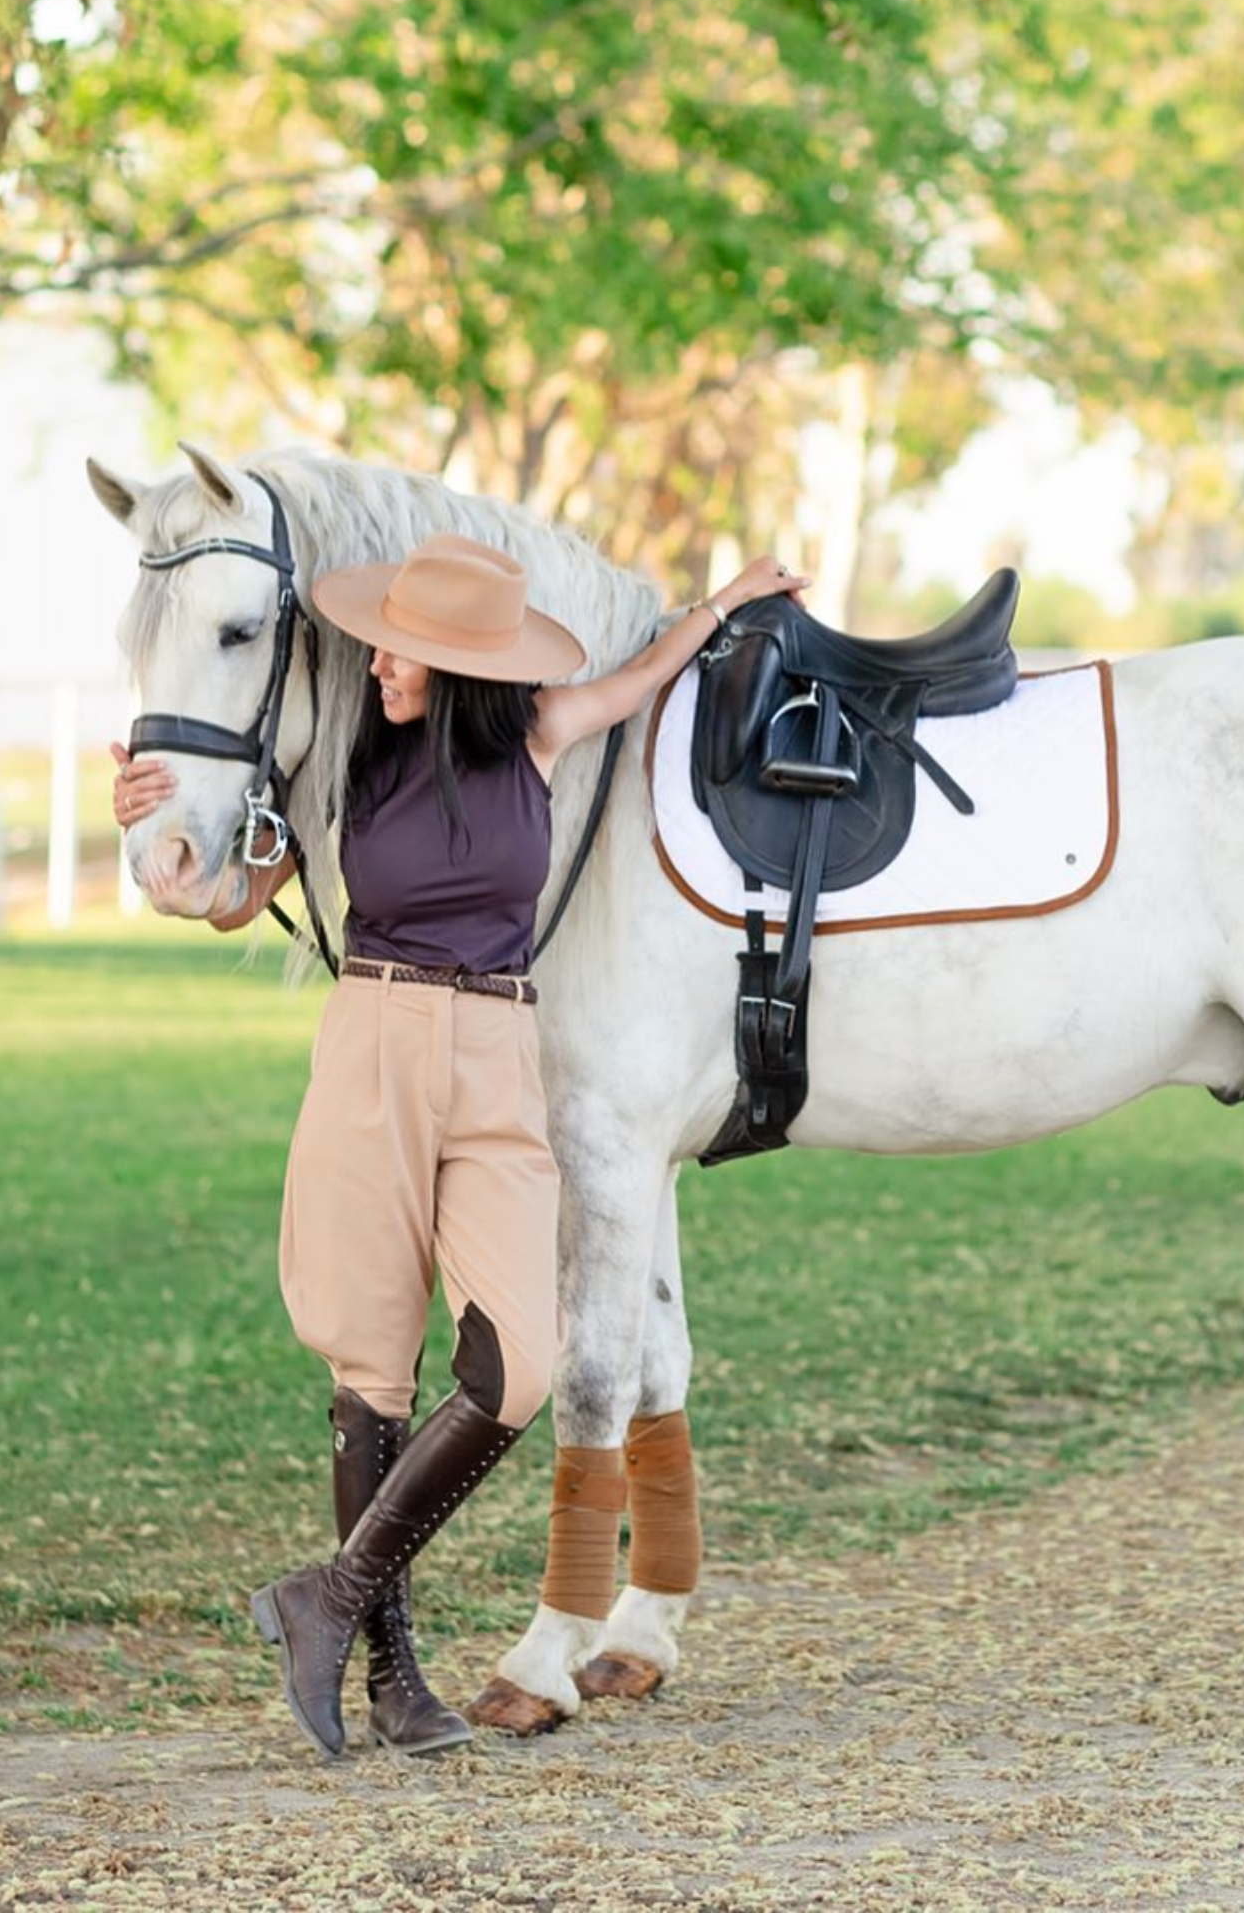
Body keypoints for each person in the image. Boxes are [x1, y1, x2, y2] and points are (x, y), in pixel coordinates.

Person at [111, 532, 806, 1760]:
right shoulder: (344, 766)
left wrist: (733, 599)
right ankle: (390, 1674)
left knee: (516, 1371)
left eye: (399, 649)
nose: (378, 661)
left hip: (497, 1056)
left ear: (456, 663)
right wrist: (161, 829)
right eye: (377, 641)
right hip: (374, 1043)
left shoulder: (538, 733)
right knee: (372, 1369)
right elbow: (223, 893)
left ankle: (324, 1596)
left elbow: (644, 674)